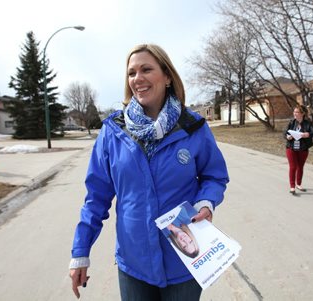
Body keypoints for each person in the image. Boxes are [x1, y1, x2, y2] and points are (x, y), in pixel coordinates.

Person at [69, 44, 229, 300]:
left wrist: (206, 202)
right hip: (134, 266)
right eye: (131, 73)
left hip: (184, 264)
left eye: (146, 69)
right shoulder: (113, 131)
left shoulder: (193, 127)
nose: (137, 79)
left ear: (167, 77)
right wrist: (80, 251)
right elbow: (96, 197)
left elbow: (214, 175)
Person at [284, 105, 313, 194]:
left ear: (302, 114)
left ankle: (298, 184)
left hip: (303, 148)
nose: (295, 114)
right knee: (293, 167)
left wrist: (308, 134)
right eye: (294, 112)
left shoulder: (308, 123)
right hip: (291, 147)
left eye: (297, 112)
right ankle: (292, 187)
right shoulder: (291, 122)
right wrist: (288, 136)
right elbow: (285, 133)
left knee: (300, 167)